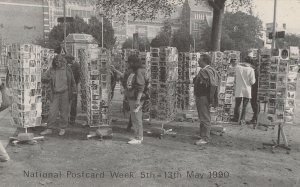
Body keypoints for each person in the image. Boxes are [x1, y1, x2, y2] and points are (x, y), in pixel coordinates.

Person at [111, 54, 146, 144]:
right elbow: (124, 76)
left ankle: (139, 137)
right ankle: (137, 135)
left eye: (129, 62)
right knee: (134, 118)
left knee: (137, 118)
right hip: (132, 97)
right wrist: (115, 70)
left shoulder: (139, 71)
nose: (127, 64)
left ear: (133, 62)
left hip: (136, 98)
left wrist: (138, 100)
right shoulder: (132, 71)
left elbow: (141, 86)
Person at [40, 55, 77, 136]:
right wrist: (46, 79)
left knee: (64, 112)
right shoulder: (52, 70)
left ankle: (62, 128)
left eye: (59, 61)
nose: (57, 63)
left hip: (65, 93)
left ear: (63, 61)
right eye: (56, 62)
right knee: (52, 111)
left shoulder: (67, 69)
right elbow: (43, 77)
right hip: (55, 93)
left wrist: (74, 91)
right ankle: (49, 128)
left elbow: (73, 81)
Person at [193, 54, 220, 145]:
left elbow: (212, 85)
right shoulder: (211, 70)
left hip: (203, 97)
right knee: (203, 116)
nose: (198, 61)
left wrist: (210, 98)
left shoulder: (205, 71)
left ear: (204, 61)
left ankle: (205, 138)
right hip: (203, 96)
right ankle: (202, 135)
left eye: (200, 60)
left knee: (204, 117)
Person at [231, 56, 256, 125]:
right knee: (245, 106)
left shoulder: (238, 68)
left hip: (239, 88)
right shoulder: (251, 70)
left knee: (237, 104)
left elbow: (234, 76)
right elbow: (252, 82)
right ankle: (242, 120)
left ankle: (236, 117)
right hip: (247, 89)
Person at [63, 54, 81, 125]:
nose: (65, 62)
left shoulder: (76, 65)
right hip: (68, 86)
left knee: (73, 103)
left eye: (66, 60)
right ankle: (67, 119)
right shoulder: (68, 65)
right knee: (67, 103)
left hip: (73, 86)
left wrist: (74, 85)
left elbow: (77, 78)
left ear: (69, 59)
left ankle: (72, 119)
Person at [247, 56, 259, 125]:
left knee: (254, 103)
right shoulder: (256, 70)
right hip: (255, 89)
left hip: (255, 89)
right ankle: (255, 118)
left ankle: (255, 118)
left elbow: (253, 81)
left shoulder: (255, 71)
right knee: (255, 103)